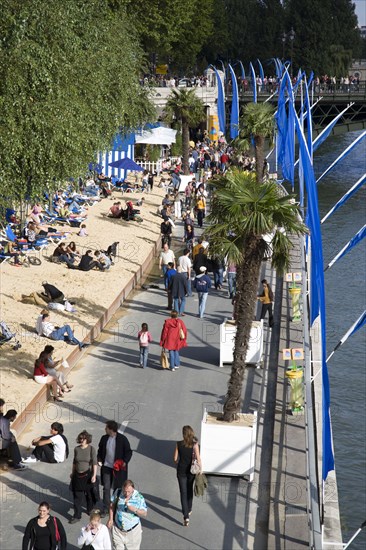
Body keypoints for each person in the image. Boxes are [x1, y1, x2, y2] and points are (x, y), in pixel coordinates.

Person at [97, 421, 133, 517]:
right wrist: (99, 459)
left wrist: (124, 461)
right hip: (106, 467)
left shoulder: (122, 439)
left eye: (106, 428)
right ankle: (106, 507)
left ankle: (116, 507)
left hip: (118, 469)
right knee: (106, 487)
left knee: (117, 489)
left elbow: (129, 452)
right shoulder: (104, 438)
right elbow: (100, 450)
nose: (105, 429)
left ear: (111, 429)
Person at [173, 426, 202, 526]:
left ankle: (186, 516)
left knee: (183, 493)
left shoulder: (178, 444)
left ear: (183, 434)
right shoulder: (195, 445)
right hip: (191, 471)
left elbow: (175, 458)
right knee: (189, 490)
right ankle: (189, 509)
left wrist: (178, 462)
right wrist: (200, 470)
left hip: (181, 471)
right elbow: (198, 459)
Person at [107, 479, 147, 550]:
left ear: (133, 489)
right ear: (122, 488)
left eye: (129, 492)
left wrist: (134, 509)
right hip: (118, 530)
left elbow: (144, 513)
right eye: (125, 491)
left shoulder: (138, 497)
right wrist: (110, 519)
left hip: (133, 533)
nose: (127, 494)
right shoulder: (118, 492)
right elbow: (112, 505)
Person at [69, 430, 98, 524]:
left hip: (87, 475)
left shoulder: (91, 449)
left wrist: (93, 475)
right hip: (77, 475)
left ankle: (90, 509)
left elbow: (94, 463)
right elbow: (74, 462)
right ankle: (77, 515)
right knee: (77, 497)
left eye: (84, 438)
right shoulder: (76, 449)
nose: (82, 440)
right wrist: (72, 473)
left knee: (89, 495)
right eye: (80, 438)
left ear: (87, 439)